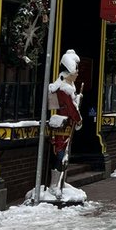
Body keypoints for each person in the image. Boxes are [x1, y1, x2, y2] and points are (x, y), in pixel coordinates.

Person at [47, 49, 83, 195]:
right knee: (61, 153)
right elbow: (71, 109)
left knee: (63, 151)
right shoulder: (65, 89)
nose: (77, 73)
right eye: (76, 71)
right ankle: (55, 184)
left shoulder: (67, 87)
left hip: (64, 123)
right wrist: (78, 119)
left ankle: (60, 182)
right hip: (63, 124)